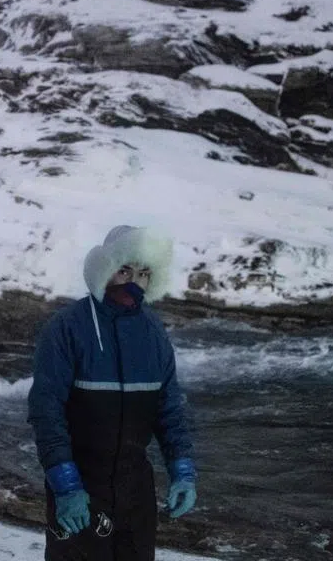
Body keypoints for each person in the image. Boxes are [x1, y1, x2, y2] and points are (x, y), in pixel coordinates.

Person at [27, 225, 197, 560]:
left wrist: (183, 471)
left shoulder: (154, 334)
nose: (133, 282)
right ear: (104, 269)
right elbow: (46, 410)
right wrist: (65, 484)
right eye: (124, 270)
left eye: (144, 273)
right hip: (81, 485)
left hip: (136, 489)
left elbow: (170, 410)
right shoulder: (67, 327)